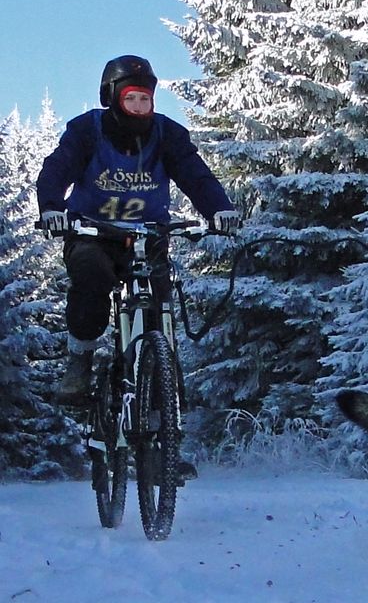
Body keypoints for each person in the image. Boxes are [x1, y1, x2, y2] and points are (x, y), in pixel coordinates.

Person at [37, 54, 240, 406]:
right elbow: (57, 168)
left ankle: (162, 384)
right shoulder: (88, 130)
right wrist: (53, 208)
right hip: (92, 233)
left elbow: (196, 175)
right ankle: (80, 359)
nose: (138, 105)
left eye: (144, 98)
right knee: (91, 278)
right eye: (130, 97)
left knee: (160, 300)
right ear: (113, 97)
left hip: (148, 235)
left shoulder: (167, 135)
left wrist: (218, 209)